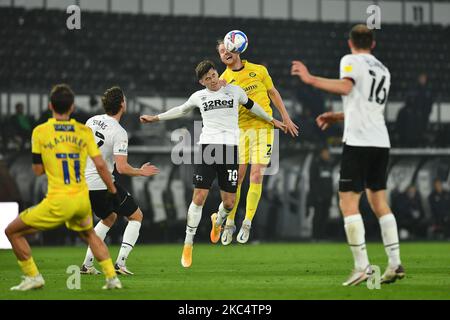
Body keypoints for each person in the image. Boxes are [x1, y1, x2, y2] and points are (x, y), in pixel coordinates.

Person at [140, 60, 286, 267]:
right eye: (207, 79)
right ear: (201, 82)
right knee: (199, 197)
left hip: (230, 151)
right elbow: (181, 110)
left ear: (217, 73)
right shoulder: (199, 97)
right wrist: (156, 118)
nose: (212, 80)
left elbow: (254, 107)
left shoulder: (235, 91)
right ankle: (188, 244)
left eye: (213, 75)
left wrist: (273, 120)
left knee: (229, 203)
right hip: (208, 149)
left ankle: (217, 221)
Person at [291, 24, 404, 286]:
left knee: (347, 203)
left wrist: (310, 79)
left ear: (350, 42)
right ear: (373, 44)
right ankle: (395, 262)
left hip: (359, 141)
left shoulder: (350, 60)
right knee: (379, 203)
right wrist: (338, 116)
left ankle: (362, 266)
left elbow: (345, 87)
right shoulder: (383, 69)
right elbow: (367, 106)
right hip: (380, 141)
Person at [5, 84, 122, 291]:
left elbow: (38, 170)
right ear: (73, 107)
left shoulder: (40, 132)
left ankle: (33, 276)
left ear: (50, 105)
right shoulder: (82, 131)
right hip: (80, 199)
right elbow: (101, 165)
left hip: (57, 200)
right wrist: (112, 190)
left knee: (12, 231)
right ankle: (112, 279)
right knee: (90, 235)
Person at [217, 40, 299, 245]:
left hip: (263, 128)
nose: (225, 53)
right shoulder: (223, 80)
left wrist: (286, 117)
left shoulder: (259, 70)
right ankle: (229, 222)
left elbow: (273, 93)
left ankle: (247, 222)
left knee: (256, 174)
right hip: (241, 131)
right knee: (238, 177)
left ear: (236, 50)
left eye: (227, 48)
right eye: (221, 51)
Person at [80, 87, 160, 275]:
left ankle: (87, 265)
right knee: (136, 216)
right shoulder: (119, 132)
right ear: (122, 104)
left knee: (109, 217)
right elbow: (122, 168)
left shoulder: (91, 121)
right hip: (101, 183)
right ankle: (121, 263)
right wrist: (141, 171)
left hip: (84, 181)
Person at [308, 147, 334, 240]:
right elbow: (312, 181)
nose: (327, 155)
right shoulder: (316, 164)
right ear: (321, 153)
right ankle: (315, 236)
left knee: (325, 216)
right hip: (318, 196)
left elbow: (330, 180)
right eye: (326, 153)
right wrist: (316, 195)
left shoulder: (329, 164)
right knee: (318, 216)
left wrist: (330, 194)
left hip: (327, 195)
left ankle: (322, 236)